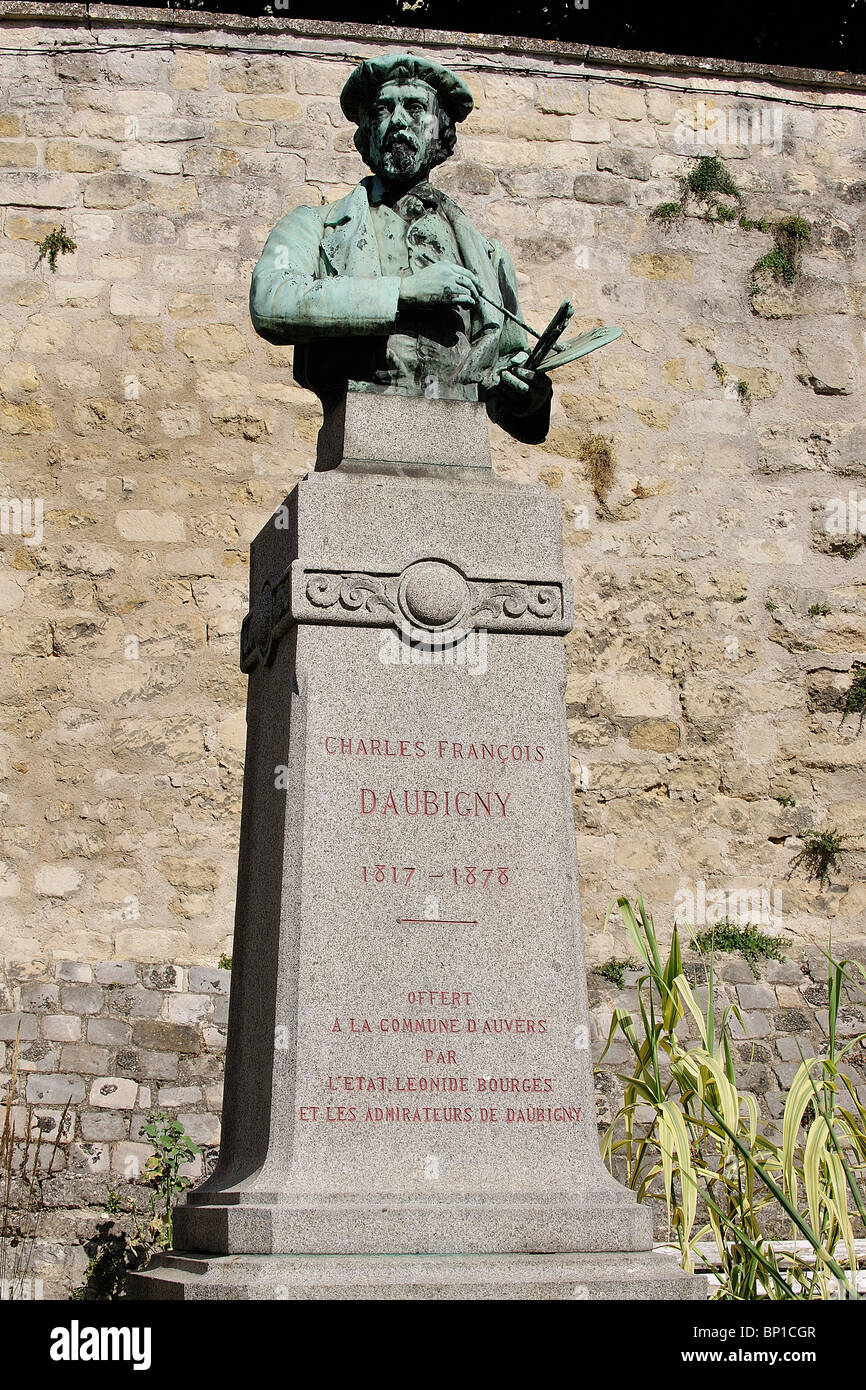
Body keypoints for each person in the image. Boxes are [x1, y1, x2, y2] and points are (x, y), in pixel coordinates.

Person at [250, 52, 553, 445]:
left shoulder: (487, 256)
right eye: (381, 110)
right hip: (356, 439)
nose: (397, 122)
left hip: (460, 450)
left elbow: (513, 401)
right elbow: (272, 301)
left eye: (414, 108)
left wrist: (530, 397)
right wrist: (404, 292)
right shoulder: (314, 226)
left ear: (441, 131)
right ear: (366, 132)